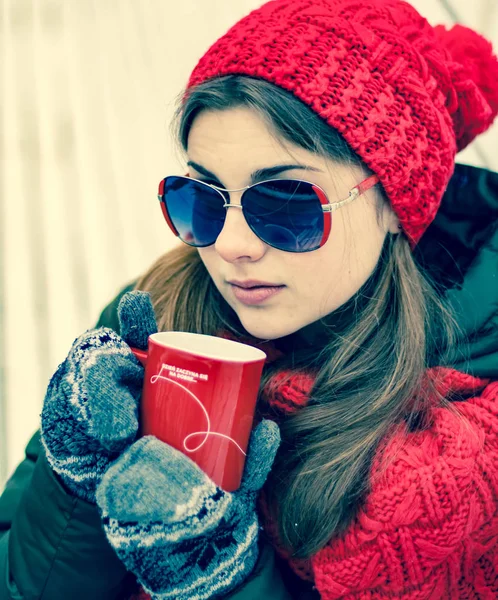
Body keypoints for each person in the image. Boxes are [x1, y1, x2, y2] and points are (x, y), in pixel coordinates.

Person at [1, 0, 498, 597]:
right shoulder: (157, 317)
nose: (232, 246)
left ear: (394, 203)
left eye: (285, 202)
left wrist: (217, 576)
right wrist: (76, 481)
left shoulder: (474, 412)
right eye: (203, 197)